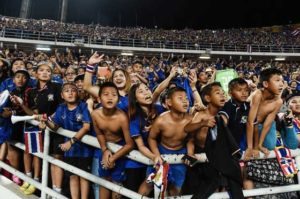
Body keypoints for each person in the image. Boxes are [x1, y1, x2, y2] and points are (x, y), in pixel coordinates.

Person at [184, 82, 244, 199]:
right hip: (203, 158)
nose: (222, 96)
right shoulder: (201, 115)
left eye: (223, 93)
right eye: (218, 93)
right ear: (207, 98)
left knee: (234, 179)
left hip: (218, 156)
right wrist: (203, 123)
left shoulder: (223, 116)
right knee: (210, 183)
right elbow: (187, 129)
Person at [18, 61, 63, 194]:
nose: (45, 73)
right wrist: (35, 115)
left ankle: (37, 180)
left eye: (48, 71)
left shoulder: (56, 87)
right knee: (29, 151)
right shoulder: (30, 91)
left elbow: (61, 107)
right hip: (34, 125)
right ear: (36, 74)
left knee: (42, 154)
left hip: (51, 127)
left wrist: (48, 119)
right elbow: (33, 111)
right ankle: (28, 178)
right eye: (42, 70)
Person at [46, 82, 93, 198]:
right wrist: (46, 122)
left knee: (83, 176)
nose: (70, 92)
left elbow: (86, 127)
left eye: (73, 90)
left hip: (84, 149)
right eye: (67, 91)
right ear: (62, 95)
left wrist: (71, 142)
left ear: (77, 93)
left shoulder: (83, 106)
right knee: (72, 175)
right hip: (70, 150)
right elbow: (55, 126)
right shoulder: (61, 108)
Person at [91, 82, 134, 199]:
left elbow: (130, 144)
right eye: (106, 94)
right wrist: (105, 150)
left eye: (114, 95)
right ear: (99, 98)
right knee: (104, 180)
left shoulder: (122, 117)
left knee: (116, 184)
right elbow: (99, 133)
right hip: (105, 148)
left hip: (120, 150)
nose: (110, 97)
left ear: (119, 99)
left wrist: (113, 158)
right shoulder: (95, 114)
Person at [148, 87, 192, 196]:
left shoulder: (191, 120)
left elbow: (191, 139)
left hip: (180, 153)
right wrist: (157, 155)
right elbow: (151, 138)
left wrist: (190, 153)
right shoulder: (161, 120)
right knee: (149, 184)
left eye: (186, 98)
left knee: (176, 189)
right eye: (180, 98)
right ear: (169, 102)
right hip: (162, 152)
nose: (185, 101)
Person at [219, 78, 254, 194]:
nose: (244, 93)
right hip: (226, 149)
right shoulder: (226, 106)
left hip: (241, 147)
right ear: (230, 93)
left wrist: (251, 147)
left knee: (243, 178)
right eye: (239, 90)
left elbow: (253, 127)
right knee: (224, 184)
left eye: (246, 90)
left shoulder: (248, 107)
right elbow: (222, 126)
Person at [245, 68, 284, 159]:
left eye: (282, 80)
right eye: (277, 80)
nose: (281, 84)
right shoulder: (258, 94)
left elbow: (267, 124)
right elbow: (250, 122)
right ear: (266, 84)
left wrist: (259, 145)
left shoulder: (279, 101)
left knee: (270, 146)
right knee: (245, 145)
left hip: (262, 124)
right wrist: (251, 147)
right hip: (250, 124)